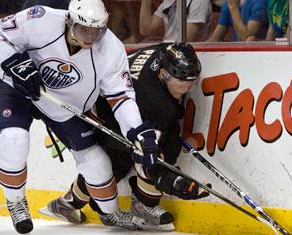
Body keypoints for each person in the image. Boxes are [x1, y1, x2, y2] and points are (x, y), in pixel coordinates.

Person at [0, 0, 160, 233]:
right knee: (13, 141)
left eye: (97, 30)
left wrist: (138, 131)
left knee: (97, 164)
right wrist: (15, 63)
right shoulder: (40, 19)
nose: (90, 37)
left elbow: (121, 97)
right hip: (17, 88)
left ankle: (110, 213)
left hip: (64, 104)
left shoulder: (111, 49)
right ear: (69, 20)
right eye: (83, 29)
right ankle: (16, 201)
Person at [40, 42, 210, 231]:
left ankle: (67, 204)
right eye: (183, 82)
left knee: (160, 145)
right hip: (105, 114)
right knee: (142, 155)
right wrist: (176, 184)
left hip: (112, 100)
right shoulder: (155, 102)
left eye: (192, 82)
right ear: (164, 74)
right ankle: (143, 205)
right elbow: (150, 159)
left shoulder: (167, 51)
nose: (188, 88)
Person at [139, 0, 212, 42]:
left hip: (189, 55)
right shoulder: (169, 1)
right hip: (168, 52)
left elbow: (185, 39)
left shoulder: (199, 1)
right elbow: (146, 30)